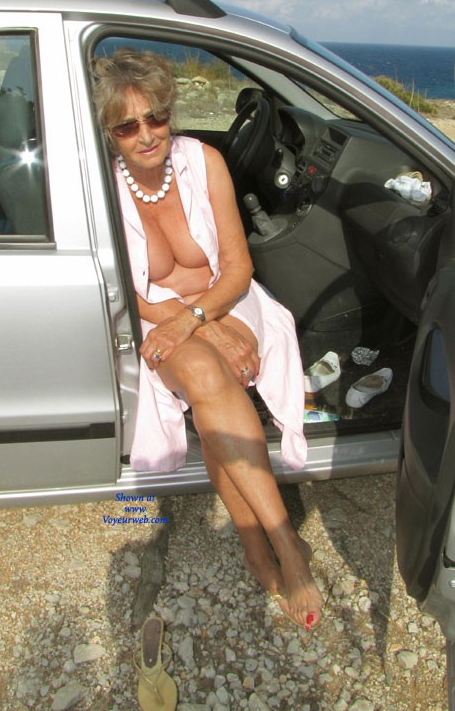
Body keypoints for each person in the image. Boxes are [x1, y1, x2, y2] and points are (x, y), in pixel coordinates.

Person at [93, 48, 323, 631]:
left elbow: (239, 270)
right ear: (109, 133)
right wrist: (187, 324)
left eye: (157, 117)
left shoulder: (204, 162)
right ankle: (277, 538)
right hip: (157, 315)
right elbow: (127, 292)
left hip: (227, 298)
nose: (147, 134)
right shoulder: (102, 189)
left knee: (214, 382)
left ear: (170, 112)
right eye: (127, 126)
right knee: (203, 374)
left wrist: (201, 318)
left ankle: (267, 544)